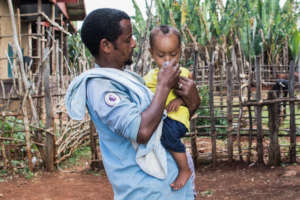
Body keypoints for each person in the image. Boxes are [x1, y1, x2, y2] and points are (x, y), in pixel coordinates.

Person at [65, 8, 200, 200]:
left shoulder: (130, 80)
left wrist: (192, 101)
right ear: (106, 45)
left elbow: (166, 123)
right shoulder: (101, 87)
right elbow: (142, 132)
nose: (134, 43)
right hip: (147, 194)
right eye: (128, 40)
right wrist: (163, 86)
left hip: (172, 191)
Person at [144, 25, 196, 190]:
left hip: (177, 118)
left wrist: (180, 100)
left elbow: (191, 95)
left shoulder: (183, 73)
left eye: (173, 55)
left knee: (167, 134)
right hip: (161, 120)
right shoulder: (149, 78)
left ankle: (184, 169)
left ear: (179, 52)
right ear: (152, 53)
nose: (167, 60)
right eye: (161, 55)